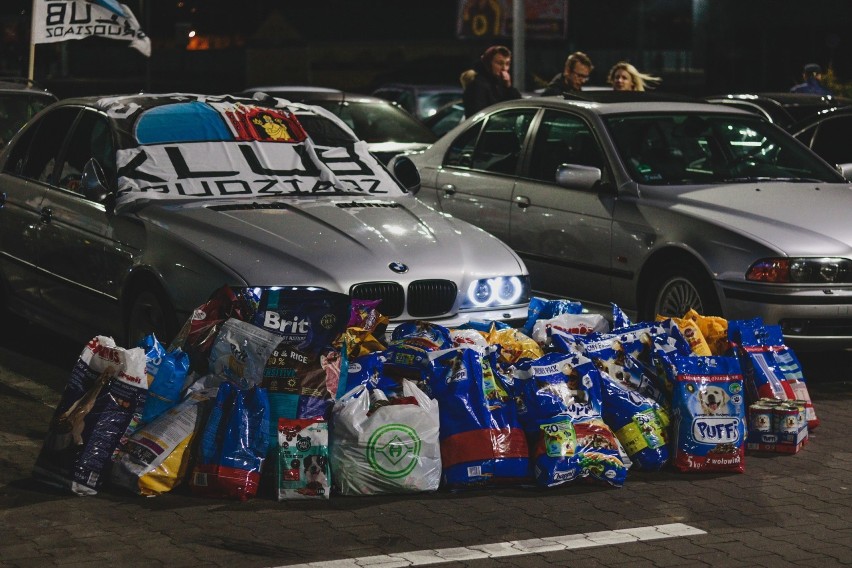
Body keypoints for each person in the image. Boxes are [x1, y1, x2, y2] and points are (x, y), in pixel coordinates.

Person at [461, 45, 522, 117]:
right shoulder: (478, 85)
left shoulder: (500, 84)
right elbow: (478, 115)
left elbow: (518, 108)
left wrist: (508, 87)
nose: (504, 68)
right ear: (488, 64)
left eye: (507, 64)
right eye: (500, 63)